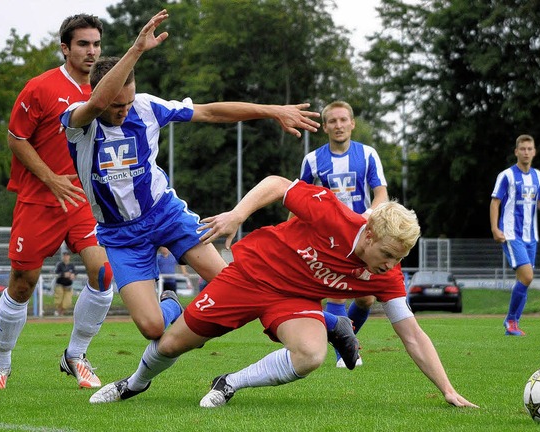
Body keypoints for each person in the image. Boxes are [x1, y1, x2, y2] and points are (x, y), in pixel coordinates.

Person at [88, 175, 478, 411]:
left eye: (400, 259)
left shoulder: (386, 276)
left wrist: (447, 389)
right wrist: (239, 214)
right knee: (171, 345)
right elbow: (277, 185)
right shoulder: (334, 214)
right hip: (251, 275)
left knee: (311, 355)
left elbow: (412, 334)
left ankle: (229, 383)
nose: (391, 266)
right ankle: (134, 383)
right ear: (371, 233)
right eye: (389, 255)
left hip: (293, 302)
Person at [59, 11, 321, 351]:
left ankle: (328, 323)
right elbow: (97, 103)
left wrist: (272, 110)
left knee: (232, 281)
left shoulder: (147, 107)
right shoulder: (78, 122)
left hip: (164, 214)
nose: (123, 110)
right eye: (116, 105)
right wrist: (137, 48)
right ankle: (170, 304)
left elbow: (210, 111)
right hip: (120, 234)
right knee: (153, 328)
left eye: (128, 102)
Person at [0, 14, 116, 391]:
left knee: (103, 273)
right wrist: (50, 178)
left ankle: (75, 355)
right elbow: (16, 139)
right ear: (65, 48)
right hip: (39, 200)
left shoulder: (105, 90)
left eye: (96, 44)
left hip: (82, 203)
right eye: (83, 44)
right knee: (23, 285)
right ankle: (1, 363)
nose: (91, 51)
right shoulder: (41, 87)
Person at [298, 100, 389, 368]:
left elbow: (381, 193)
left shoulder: (368, 154)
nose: (339, 125)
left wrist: (368, 216)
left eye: (343, 120)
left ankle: (345, 342)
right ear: (325, 127)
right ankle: (344, 355)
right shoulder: (313, 159)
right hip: (330, 237)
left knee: (366, 298)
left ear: (352, 124)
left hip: (364, 234)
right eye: (333, 121)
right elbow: (299, 198)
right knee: (337, 293)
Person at [490, 134, 540, 336]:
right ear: (516, 151)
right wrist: (495, 228)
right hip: (511, 233)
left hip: (531, 236)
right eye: (523, 149)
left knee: (525, 280)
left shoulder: (538, 176)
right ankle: (511, 320)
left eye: (529, 149)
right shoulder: (507, 176)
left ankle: (513, 324)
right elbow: (495, 202)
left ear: (534, 152)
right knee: (527, 276)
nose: (526, 152)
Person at [54, 251, 76, 316]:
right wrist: (63, 274)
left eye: (67, 256)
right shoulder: (59, 265)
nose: (66, 257)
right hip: (60, 284)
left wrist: (73, 275)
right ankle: (59, 313)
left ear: (69, 257)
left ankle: (61, 312)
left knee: (67, 301)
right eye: (64, 256)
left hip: (68, 285)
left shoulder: (72, 265)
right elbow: (55, 273)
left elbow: (75, 272)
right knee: (58, 299)